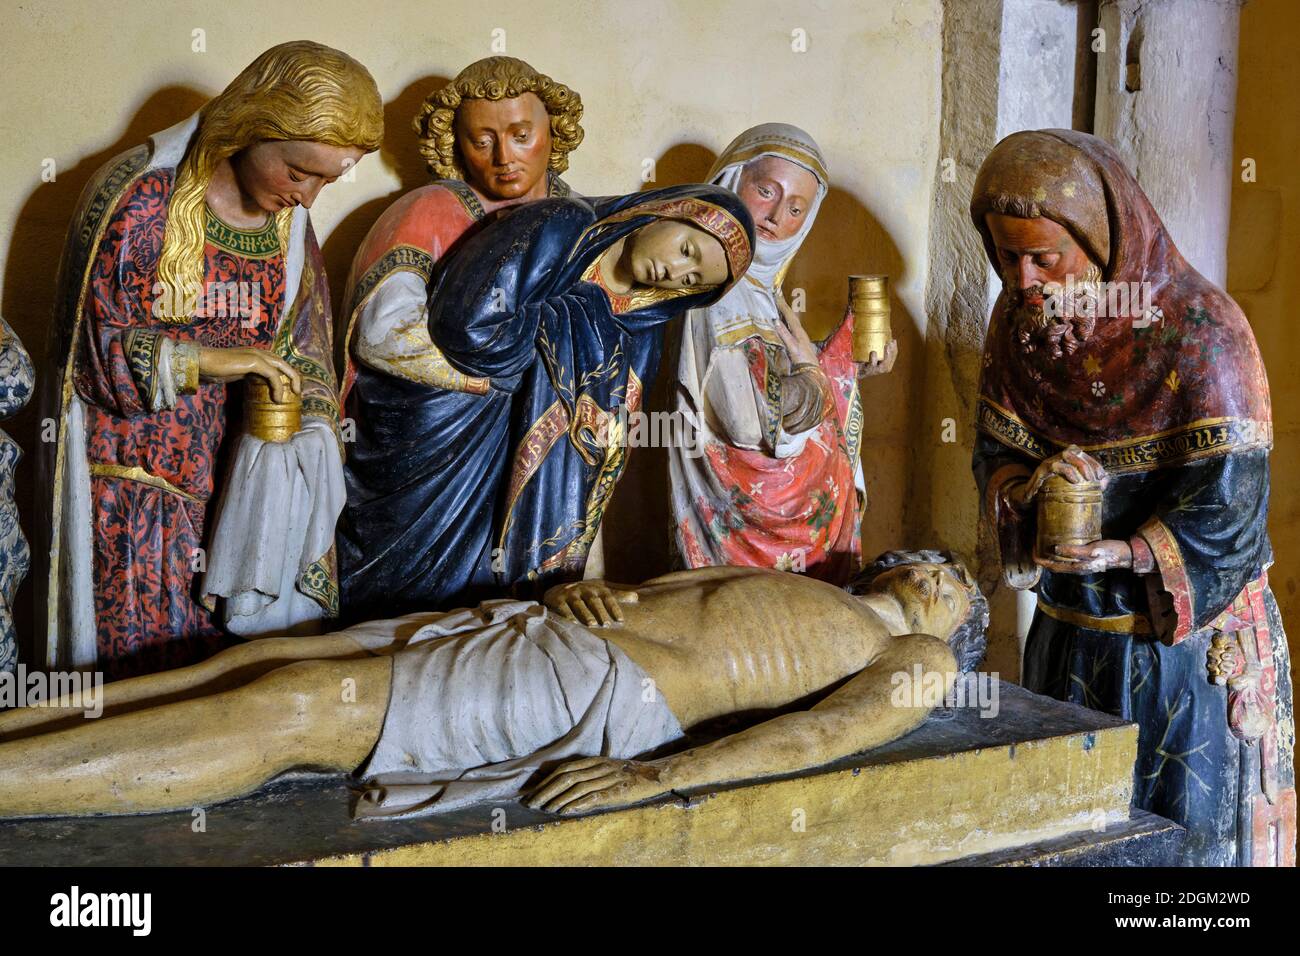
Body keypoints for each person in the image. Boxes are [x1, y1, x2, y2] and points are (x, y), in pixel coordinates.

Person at [0, 555, 981, 819]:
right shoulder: (814, 583)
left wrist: (660, 779)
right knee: (253, 664)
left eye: (959, 587)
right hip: (541, 627)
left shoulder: (918, 658)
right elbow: (652, 589)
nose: (942, 574)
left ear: (957, 628)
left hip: (597, 688)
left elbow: (816, 739)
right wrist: (579, 587)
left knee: (289, 713)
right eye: (936, 561)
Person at [970, 129, 1294, 866]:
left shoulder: (1199, 333)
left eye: (1043, 257)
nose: (1023, 280)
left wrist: (1123, 550)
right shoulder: (1018, 325)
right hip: (1068, 632)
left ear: (1103, 238)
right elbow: (997, 451)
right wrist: (1024, 491)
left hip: (1177, 644)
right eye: (1005, 256)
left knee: (1181, 844)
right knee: (1072, 832)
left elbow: (1232, 513)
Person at [35, 41, 383, 679]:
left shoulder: (287, 229)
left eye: (327, 181)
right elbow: (97, 358)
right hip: (134, 489)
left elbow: (305, 350)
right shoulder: (143, 200)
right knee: (140, 669)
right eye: (298, 172)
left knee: (225, 671)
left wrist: (300, 418)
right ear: (251, 129)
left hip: (236, 486)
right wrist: (218, 361)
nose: (307, 198)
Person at [338, 185, 754, 619]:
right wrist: (564, 335)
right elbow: (465, 327)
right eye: (687, 249)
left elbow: (609, 449)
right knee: (400, 586)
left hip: (520, 477)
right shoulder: (562, 227)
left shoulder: (644, 331)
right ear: (664, 210)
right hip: (443, 425)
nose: (674, 272)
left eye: (692, 281)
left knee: (477, 619)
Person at [669, 124, 894, 582]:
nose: (774, 216)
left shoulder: (763, 291)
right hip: (752, 531)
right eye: (765, 191)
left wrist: (844, 365)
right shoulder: (719, 292)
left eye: (795, 208)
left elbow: (779, 374)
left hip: (798, 520)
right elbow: (748, 422)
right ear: (732, 184)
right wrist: (815, 379)